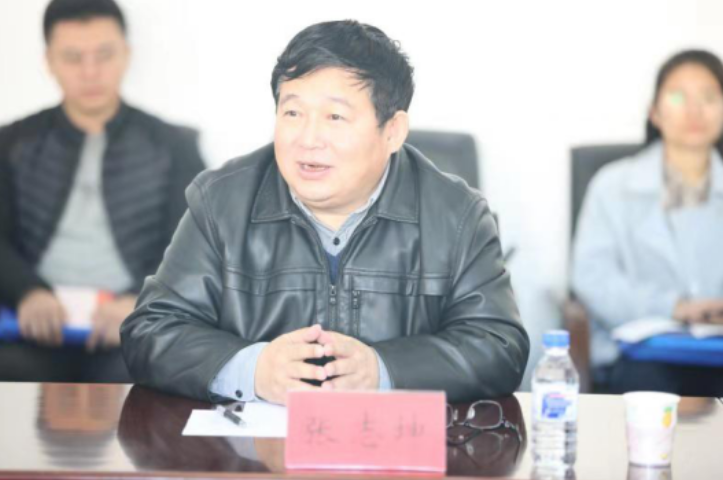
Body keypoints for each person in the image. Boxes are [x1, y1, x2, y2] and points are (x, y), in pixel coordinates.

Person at [121, 20, 529, 404]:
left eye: (335, 117)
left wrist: (383, 370)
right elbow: (150, 332)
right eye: (292, 113)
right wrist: (252, 369)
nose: (308, 138)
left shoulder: (457, 215)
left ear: (393, 131)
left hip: (391, 449)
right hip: (259, 451)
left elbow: (498, 346)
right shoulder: (220, 202)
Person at [0, 0, 205, 382]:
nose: (90, 72)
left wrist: (139, 300)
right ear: (49, 61)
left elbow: (195, 245)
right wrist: (27, 291)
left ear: (126, 54)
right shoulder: (10, 143)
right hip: (29, 325)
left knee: (159, 372)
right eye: (73, 57)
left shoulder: (174, 145)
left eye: (104, 55)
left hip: (133, 327)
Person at [572, 49, 723, 396]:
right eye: (678, 97)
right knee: (651, 391)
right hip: (640, 355)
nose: (694, 110)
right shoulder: (612, 185)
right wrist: (674, 307)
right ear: (655, 111)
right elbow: (591, 277)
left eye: (709, 97)